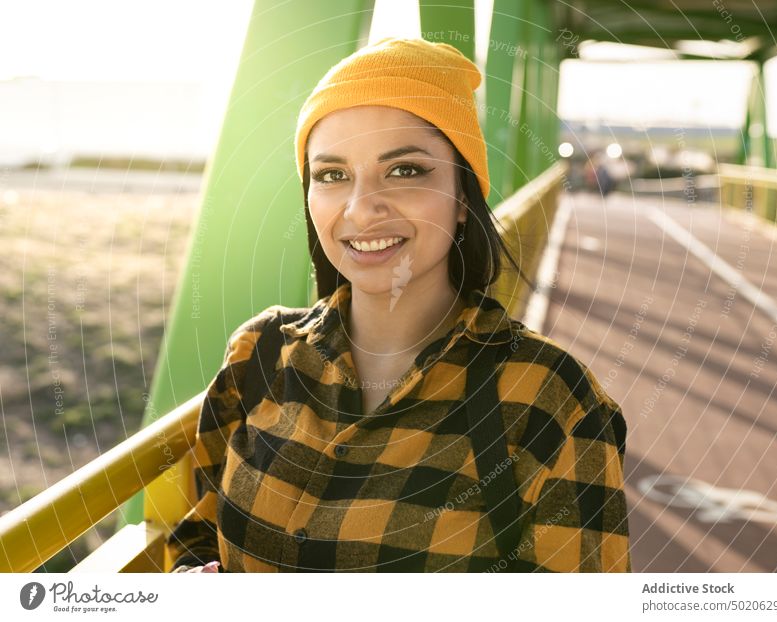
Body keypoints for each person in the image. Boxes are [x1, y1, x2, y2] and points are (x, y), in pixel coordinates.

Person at [166, 36, 631, 573]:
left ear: (463, 198)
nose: (362, 210)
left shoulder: (549, 399)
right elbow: (199, 532)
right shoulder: (261, 355)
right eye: (332, 175)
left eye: (405, 170)